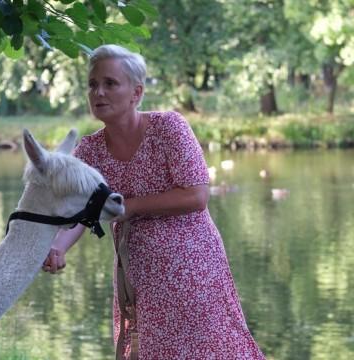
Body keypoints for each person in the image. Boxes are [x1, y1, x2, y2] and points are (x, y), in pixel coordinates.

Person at [42, 44, 265, 359]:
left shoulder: (169, 128)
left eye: (110, 83)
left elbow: (197, 196)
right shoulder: (89, 151)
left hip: (193, 270)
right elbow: (83, 211)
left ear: (136, 92)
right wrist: (59, 246)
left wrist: (126, 208)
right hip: (138, 278)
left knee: (209, 350)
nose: (98, 92)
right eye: (92, 84)